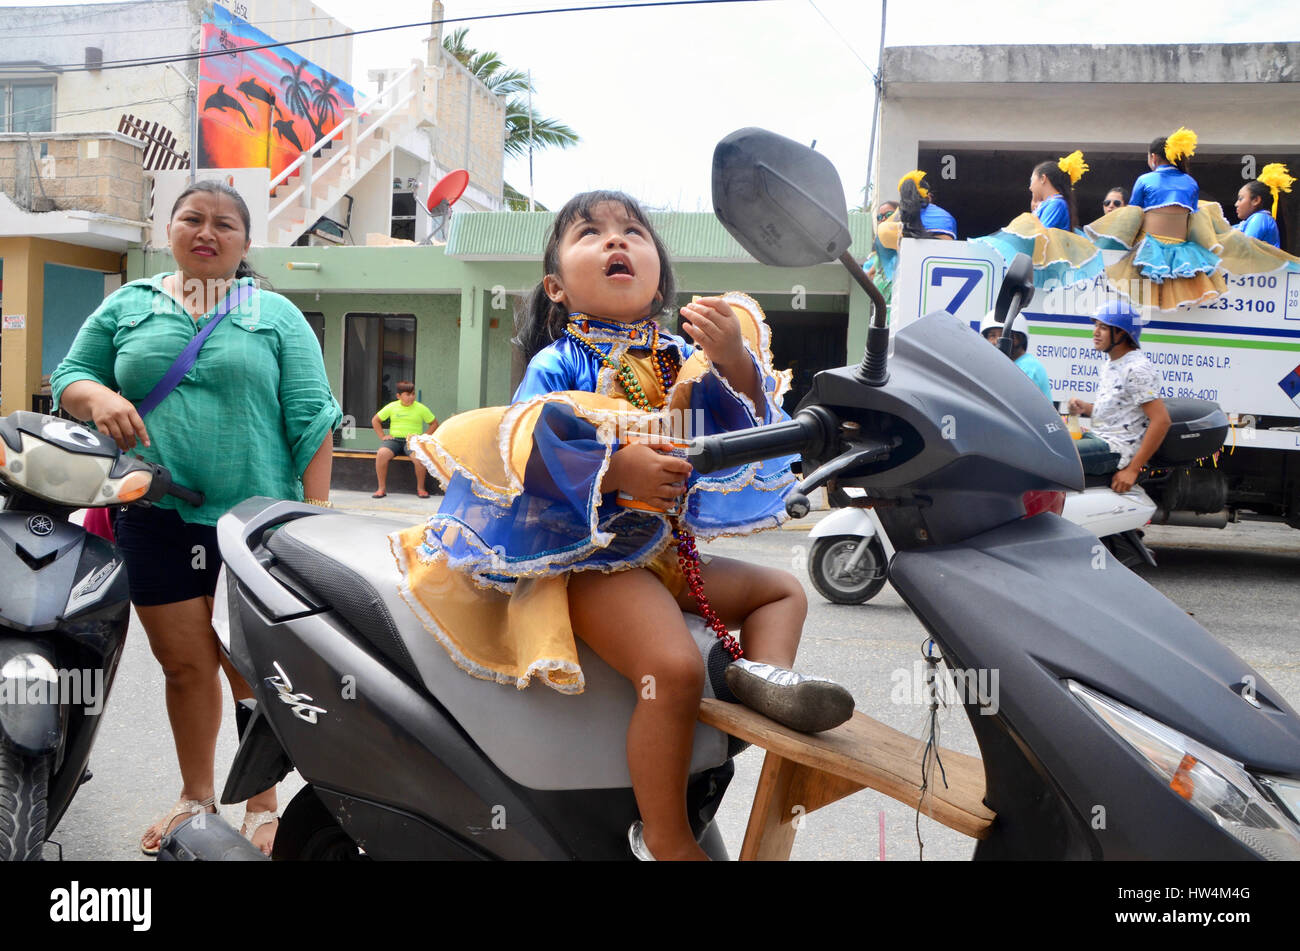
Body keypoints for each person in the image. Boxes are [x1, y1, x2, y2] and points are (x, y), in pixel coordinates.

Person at [391, 190, 854, 861]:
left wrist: (732, 362)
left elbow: (752, 429)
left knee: (782, 591)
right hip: (593, 560)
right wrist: (614, 472)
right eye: (591, 232)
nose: (616, 241)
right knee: (669, 668)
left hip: (666, 553)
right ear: (556, 285)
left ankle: (768, 684)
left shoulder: (678, 354)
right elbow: (523, 450)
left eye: (633, 231)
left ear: (659, 278)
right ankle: (664, 835)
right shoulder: (560, 363)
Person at [51, 180, 342, 856]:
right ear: (169, 229)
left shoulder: (274, 313)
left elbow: (313, 417)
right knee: (185, 666)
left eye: (223, 224)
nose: (206, 231)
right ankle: (196, 798)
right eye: (191, 218)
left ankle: (263, 808)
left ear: (244, 244)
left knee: (249, 667)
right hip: (153, 515)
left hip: (254, 523)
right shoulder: (131, 304)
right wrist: (97, 396)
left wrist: (314, 518)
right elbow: (70, 375)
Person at [1067, 301, 1170, 494]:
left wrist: (1132, 470)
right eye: (1096, 325)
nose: (1095, 332)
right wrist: (1086, 408)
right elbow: (1120, 412)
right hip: (1099, 438)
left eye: (1103, 327)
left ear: (1122, 333)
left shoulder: (1137, 369)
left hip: (1114, 450)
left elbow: (1162, 421)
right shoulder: (1112, 363)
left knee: (1050, 455)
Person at [973, 150, 1102, 289]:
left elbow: (1039, 235)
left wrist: (1031, 218)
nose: (1030, 186)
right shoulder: (1050, 203)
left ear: (1043, 179)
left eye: (1031, 180)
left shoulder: (1057, 203)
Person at [371, 381, 438, 498]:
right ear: (398, 396)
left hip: (412, 441)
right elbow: (375, 420)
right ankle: (381, 489)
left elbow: (434, 423)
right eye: (408, 394)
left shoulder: (421, 408)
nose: (411, 397)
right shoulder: (392, 406)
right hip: (394, 440)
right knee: (381, 454)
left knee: (419, 458)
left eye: (413, 394)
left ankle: (421, 489)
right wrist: (382, 436)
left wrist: (423, 438)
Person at [979, 311, 1052, 400]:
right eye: (992, 336)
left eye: (1003, 335)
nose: (996, 341)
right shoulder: (1005, 365)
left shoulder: (1028, 368)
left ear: (1018, 338)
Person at [1233, 164, 1294, 249]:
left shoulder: (1260, 218)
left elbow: (1244, 249)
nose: (1236, 204)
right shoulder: (1250, 221)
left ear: (1256, 200)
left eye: (1240, 199)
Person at [863, 200, 899, 317]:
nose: (883, 219)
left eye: (888, 215)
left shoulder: (907, 245)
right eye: (879, 217)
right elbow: (869, 277)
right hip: (882, 316)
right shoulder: (877, 255)